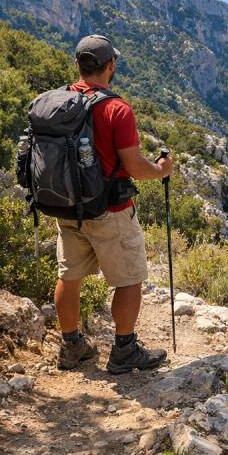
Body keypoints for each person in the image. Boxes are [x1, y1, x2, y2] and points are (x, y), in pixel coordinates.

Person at [55, 34, 173, 374]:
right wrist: (162, 169)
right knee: (128, 279)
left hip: (66, 206)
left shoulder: (60, 102)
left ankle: (71, 346)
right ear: (111, 66)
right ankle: (124, 351)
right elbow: (135, 166)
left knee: (70, 276)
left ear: (78, 65)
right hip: (109, 211)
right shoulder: (116, 109)